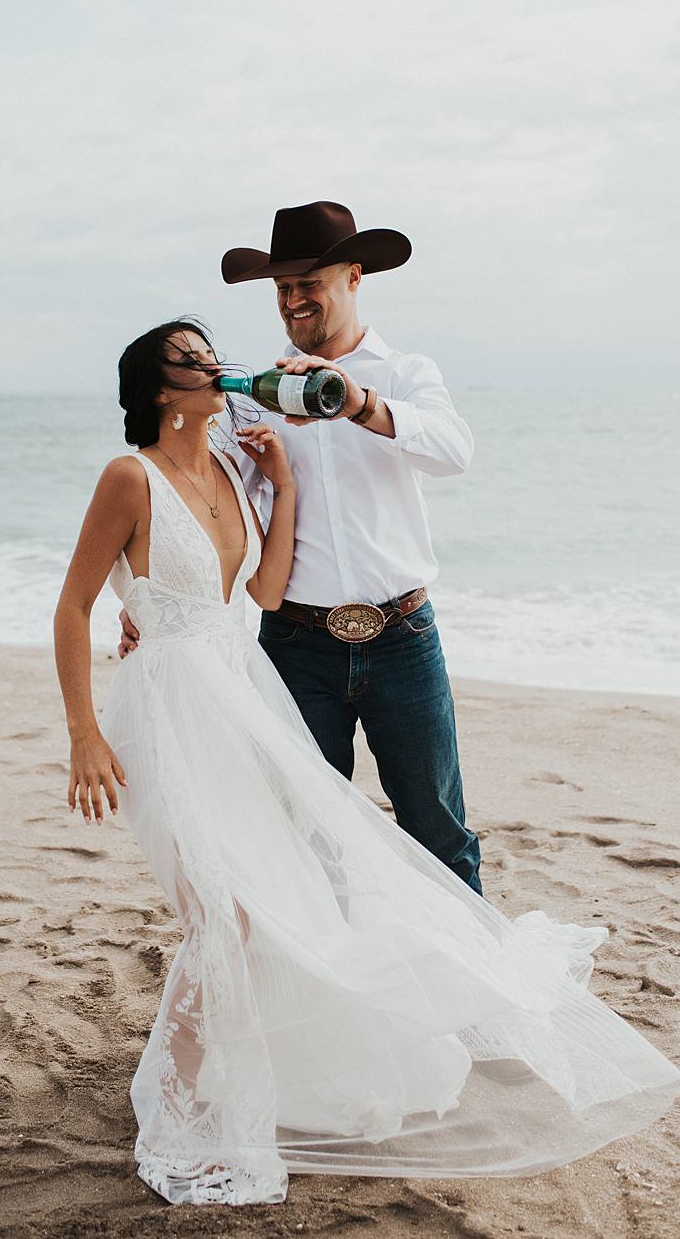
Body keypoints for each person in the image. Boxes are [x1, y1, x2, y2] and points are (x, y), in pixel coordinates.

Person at [54, 317, 680, 1208]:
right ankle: (187, 1107)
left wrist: (281, 481)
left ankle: (237, 1076)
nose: (211, 365)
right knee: (220, 908)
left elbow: (265, 593)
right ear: (161, 390)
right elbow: (73, 604)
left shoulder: (236, 465)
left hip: (240, 692)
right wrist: (83, 732)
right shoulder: (128, 476)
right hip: (162, 709)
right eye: (189, 360)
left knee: (272, 893)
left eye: (208, 351)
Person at [122, 200, 483, 892]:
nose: (292, 301)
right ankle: (335, 989)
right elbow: (198, 500)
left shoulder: (405, 373)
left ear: (352, 277)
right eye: (282, 289)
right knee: (305, 834)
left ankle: (477, 996)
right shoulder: (253, 397)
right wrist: (146, 591)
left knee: (438, 830)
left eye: (306, 284)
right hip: (293, 645)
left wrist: (361, 405)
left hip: (403, 635)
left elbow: (453, 453)